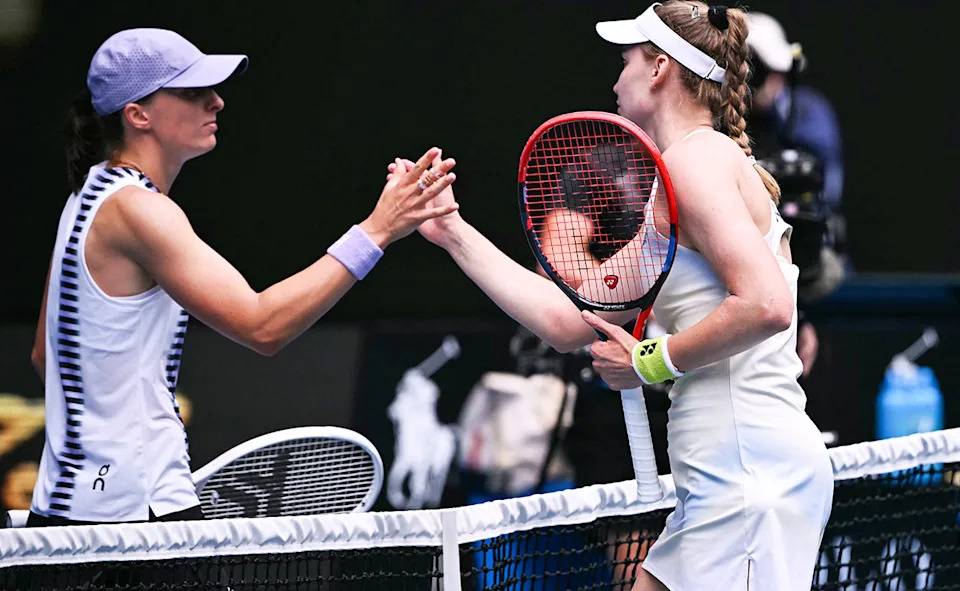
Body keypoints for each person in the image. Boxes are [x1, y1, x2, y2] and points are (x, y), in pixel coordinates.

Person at [390, 2, 832, 589]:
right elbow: (570, 318)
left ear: (658, 70)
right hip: (732, 476)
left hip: (746, 476)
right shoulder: (681, 178)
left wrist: (649, 361)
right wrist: (451, 231)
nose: (614, 78)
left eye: (624, 61)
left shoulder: (695, 164)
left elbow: (767, 305)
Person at [28, 28, 457, 527]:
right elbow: (263, 326)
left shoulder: (86, 198)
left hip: (64, 513)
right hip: (133, 521)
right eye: (192, 92)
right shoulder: (141, 211)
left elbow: (45, 353)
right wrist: (377, 229)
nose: (217, 101)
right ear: (137, 114)